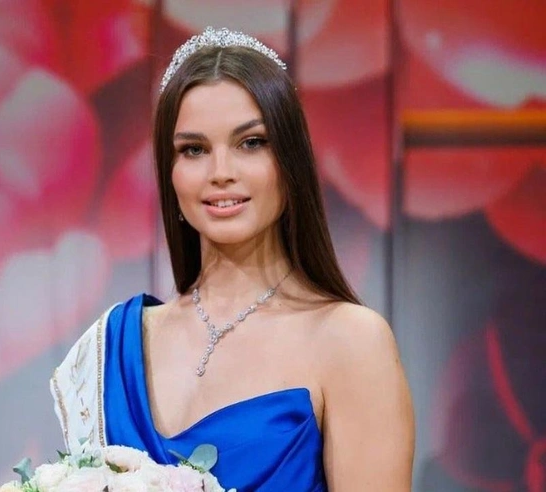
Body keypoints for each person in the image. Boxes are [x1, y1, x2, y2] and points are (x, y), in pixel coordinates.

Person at [51, 27, 415, 491]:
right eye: (194, 150)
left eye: (251, 143)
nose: (221, 173)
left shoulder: (351, 341)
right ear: (170, 171)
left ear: (290, 161)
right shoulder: (113, 350)